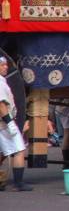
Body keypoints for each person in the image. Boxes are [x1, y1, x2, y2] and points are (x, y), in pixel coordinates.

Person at [0, 54, 31, 191]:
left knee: (2, 152)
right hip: (4, 122)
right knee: (19, 149)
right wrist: (9, 122)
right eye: (2, 65)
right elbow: (1, 104)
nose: (5, 67)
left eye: (6, 64)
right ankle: (18, 183)